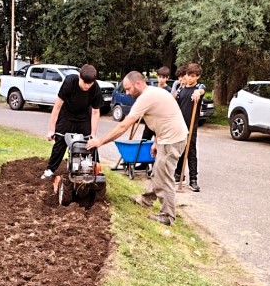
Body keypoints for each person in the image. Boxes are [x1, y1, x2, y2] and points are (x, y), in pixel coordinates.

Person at [87, 71, 188, 226]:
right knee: (158, 171)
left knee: (164, 177)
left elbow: (123, 126)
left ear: (138, 84)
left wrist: (100, 141)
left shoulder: (146, 97)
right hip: (166, 137)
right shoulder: (154, 92)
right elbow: (165, 118)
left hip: (172, 140)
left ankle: (168, 216)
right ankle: (146, 200)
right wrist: (156, 141)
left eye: (128, 89)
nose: (127, 93)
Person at [41, 64, 102, 179]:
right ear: (79, 77)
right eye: (85, 83)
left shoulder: (95, 88)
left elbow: (95, 112)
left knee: (90, 143)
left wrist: (93, 135)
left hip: (84, 117)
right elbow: (57, 107)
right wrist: (51, 130)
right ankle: (50, 170)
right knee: (60, 141)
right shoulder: (70, 82)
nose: (87, 86)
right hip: (67, 115)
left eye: (90, 83)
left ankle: (95, 171)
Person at [174, 63, 206, 192]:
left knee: (191, 152)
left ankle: (193, 180)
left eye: (193, 76)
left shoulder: (198, 89)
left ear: (198, 77)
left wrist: (199, 92)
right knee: (180, 150)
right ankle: (178, 175)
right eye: (188, 75)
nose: (190, 78)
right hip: (180, 125)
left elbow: (202, 89)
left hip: (191, 126)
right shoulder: (181, 90)